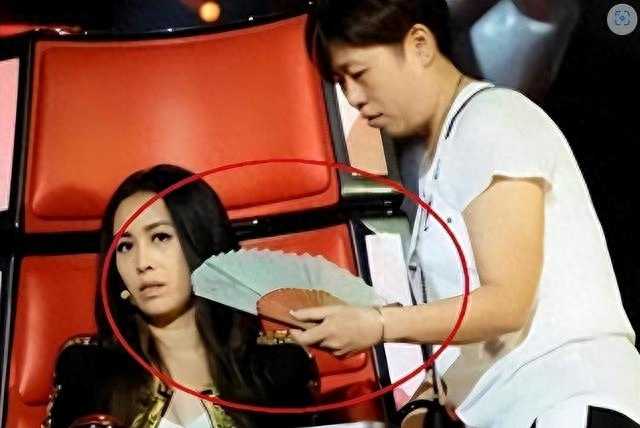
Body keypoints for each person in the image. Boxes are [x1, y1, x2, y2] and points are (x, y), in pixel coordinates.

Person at [290, 1, 640, 427]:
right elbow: (484, 333)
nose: (353, 98)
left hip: (564, 401)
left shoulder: (492, 119)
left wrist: (378, 324)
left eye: (359, 73)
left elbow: (507, 304)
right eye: (341, 82)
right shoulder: (441, 155)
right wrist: (425, 399)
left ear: (419, 45)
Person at [43, 164, 317, 428]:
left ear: (202, 242)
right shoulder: (86, 369)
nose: (142, 263)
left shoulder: (279, 365)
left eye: (160, 237)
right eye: (125, 246)